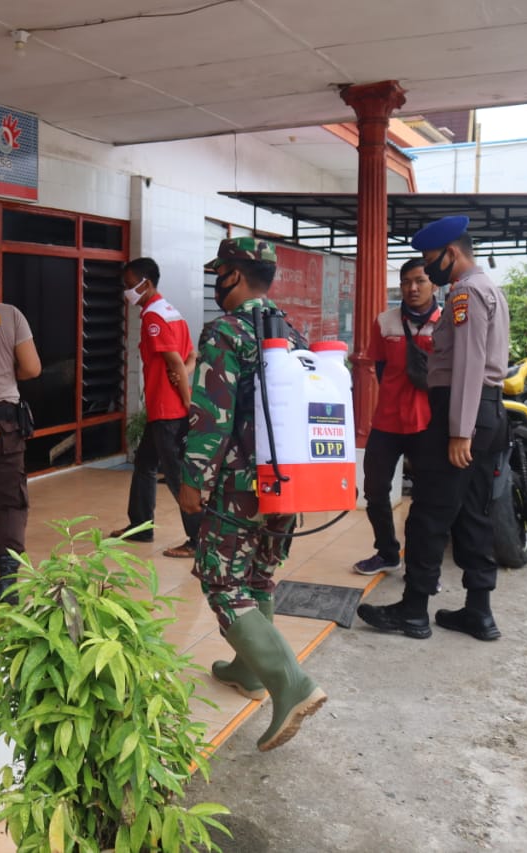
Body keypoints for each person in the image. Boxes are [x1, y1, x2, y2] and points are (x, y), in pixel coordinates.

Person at [177, 237, 326, 752]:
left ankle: (293, 685)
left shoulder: (226, 332)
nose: (216, 283)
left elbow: (211, 417)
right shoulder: (294, 333)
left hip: (237, 487)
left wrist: (193, 479)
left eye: (218, 273)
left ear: (233, 277)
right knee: (259, 573)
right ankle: (249, 669)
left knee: (223, 583)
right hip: (287, 482)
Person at [357, 216, 510, 641]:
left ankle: (413, 610)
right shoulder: (488, 287)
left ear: (451, 254)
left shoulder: (465, 293)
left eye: (431, 261)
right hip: (487, 411)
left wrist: (459, 430)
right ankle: (478, 611)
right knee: (473, 512)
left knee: (429, 513)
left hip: (462, 414)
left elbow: (469, 363)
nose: (429, 270)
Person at [353, 259, 441, 576]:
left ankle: (421, 564)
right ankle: (387, 552)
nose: (412, 288)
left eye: (420, 281)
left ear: (435, 285)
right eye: (406, 282)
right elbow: (379, 366)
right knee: (375, 489)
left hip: (427, 424)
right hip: (387, 421)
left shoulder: (446, 322)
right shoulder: (385, 322)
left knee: (426, 497)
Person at [109, 257, 202, 558]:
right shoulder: (171, 312)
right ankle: (140, 526)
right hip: (161, 409)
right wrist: (184, 374)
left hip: (169, 411)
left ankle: (198, 541)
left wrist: (188, 405)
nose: (126, 293)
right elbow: (191, 357)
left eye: (128, 286)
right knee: (145, 464)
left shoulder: (153, 318)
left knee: (177, 478)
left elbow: (175, 361)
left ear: (145, 284)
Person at [0, 261, 41, 604]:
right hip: (3, 422)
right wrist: (4, 371)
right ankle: (8, 576)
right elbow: (32, 367)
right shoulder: (8, 314)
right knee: (9, 502)